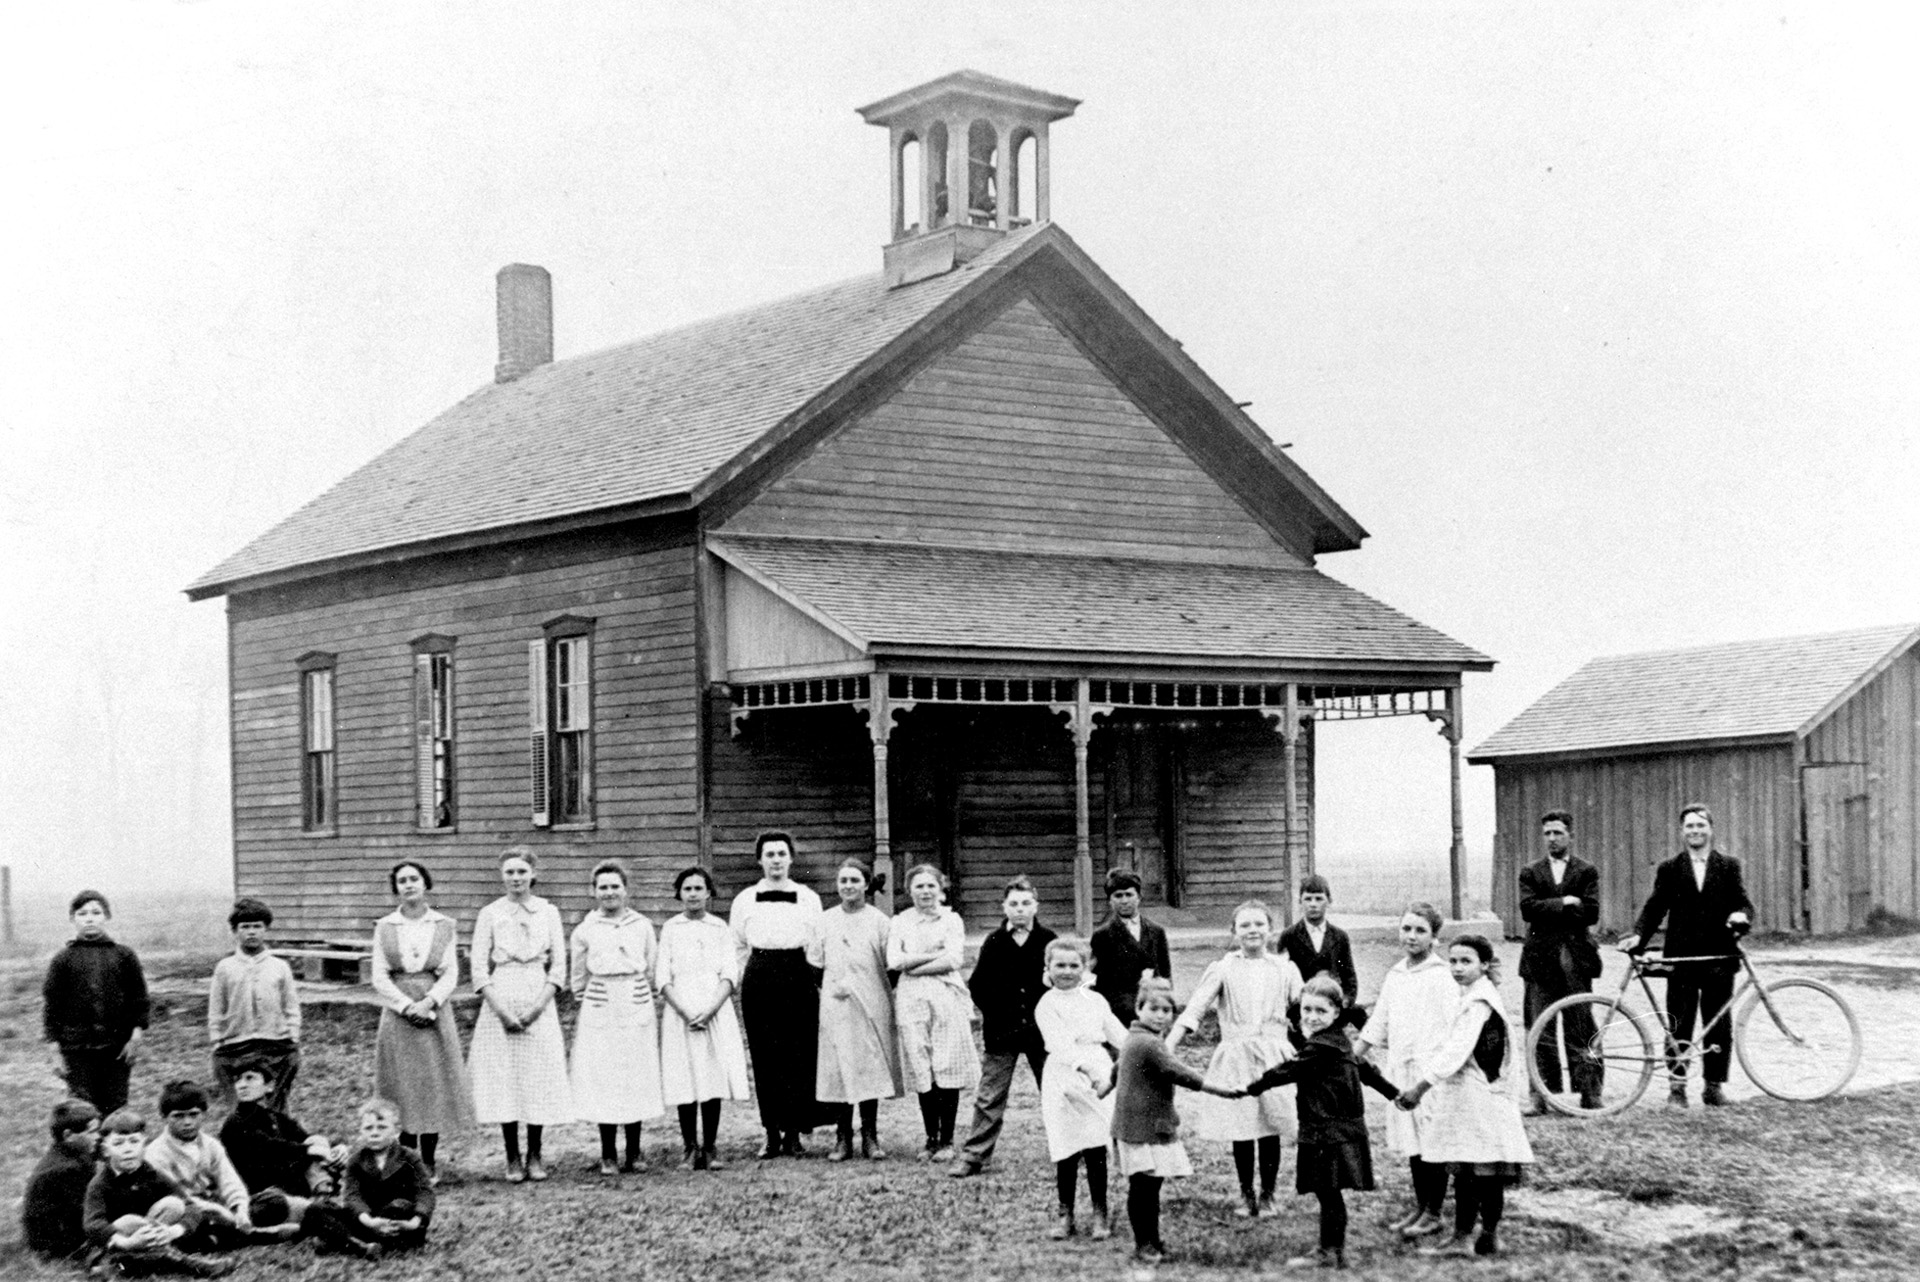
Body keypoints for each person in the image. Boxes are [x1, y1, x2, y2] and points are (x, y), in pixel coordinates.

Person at [1393, 935, 1535, 1258]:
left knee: (1472, 1171)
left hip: (1476, 1095)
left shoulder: (1478, 1002)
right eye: (1453, 961)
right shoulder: (1476, 994)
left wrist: (1419, 1088)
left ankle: (1466, 1238)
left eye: (1466, 961)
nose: (1457, 968)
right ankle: (1485, 1235)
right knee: (1482, 1170)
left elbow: (1456, 1052)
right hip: (1482, 1094)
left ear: (1484, 964)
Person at [1246, 976, 1401, 1270]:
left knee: (1328, 1192)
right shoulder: (1339, 1041)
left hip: (1327, 1130)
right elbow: (1367, 1070)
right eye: (1307, 1010)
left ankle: (1329, 1251)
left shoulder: (1322, 1046)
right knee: (1328, 1192)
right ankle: (1333, 1249)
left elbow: (1290, 1069)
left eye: (1320, 1011)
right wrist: (1394, 1093)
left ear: (1336, 1013)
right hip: (1338, 1128)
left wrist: (1252, 1086)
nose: (1312, 1017)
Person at [1167, 898, 1304, 1219]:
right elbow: (1196, 1008)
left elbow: (1304, 1011)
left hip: (1275, 1054)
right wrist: (1169, 1044)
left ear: (1271, 929)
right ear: (1233, 931)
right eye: (1245, 925)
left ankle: (1268, 1194)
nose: (1253, 930)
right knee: (1243, 1125)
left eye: (1259, 924)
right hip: (1237, 1055)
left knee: (1270, 1124)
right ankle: (1246, 1193)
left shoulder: (1285, 968)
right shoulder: (1223, 968)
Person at [1618, 803, 1755, 1108]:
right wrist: (1638, 935)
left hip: (1719, 958)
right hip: (1682, 958)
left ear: (1711, 829)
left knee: (1718, 1023)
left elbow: (1743, 903)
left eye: (1700, 825)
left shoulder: (1729, 866)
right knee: (1679, 1021)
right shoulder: (1670, 868)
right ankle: (1677, 1088)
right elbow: (1655, 907)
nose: (1695, 831)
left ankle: (1713, 1087)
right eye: (1689, 826)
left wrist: (1741, 917)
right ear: (1682, 832)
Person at [1114, 976, 1243, 1265]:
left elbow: (1116, 1068)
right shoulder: (1150, 1044)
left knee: (1148, 1186)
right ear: (1138, 1009)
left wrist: (1104, 1086)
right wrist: (1223, 1090)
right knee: (1144, 1188)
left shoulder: (1134, 1038)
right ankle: (1144, 1244)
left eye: (1167, 1010)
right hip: (1141, 1128)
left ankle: (1151, 1240)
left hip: (1139, 1125)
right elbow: (1181, 1073)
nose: (1161, 1016)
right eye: (1153, 1009)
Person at [467, 846, 573, 1182]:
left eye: (522, 872)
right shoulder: (491, 913)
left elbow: (559, 966)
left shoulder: (548, 912)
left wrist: (538, 1007)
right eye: (510, 872)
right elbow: (478, 967)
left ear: (533, 875)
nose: (516, 878)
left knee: (536, 1076)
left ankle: (535, 1153)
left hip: (537, 993)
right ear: (502, 876)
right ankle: (512, 1155)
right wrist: (500, 1010)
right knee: (506, 1077)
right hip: (502, 991)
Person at [1353, 902, 1457, 1239]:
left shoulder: (1443, 976)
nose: (1411, 936)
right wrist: (1350, 1056)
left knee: (1432, 1141)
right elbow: (1378, 1022)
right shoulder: (1396, 974)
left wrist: (1440, 1068)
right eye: (1406, 929)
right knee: (1413, 1142)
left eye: (1420, 931)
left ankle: (1434, 1211)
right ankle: (1420, 1205)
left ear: (1434, 938)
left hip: (1430, 1073)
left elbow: (1456, 1028)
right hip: (1402, 1068)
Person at [370, 859, 473, 1181]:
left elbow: (451, 973)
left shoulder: (443, 924)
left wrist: (429, 1001)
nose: (409, 885)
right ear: (396, 888)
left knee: (430, 1085)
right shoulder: (386, 926)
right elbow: (379, 975)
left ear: (425, 884)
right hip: (399, 1014)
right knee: (402, 1085)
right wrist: (405, 1005)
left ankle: (427, 1160)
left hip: (433, 1011)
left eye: (414, 879)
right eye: (402, 881)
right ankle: (405, 1158)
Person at [951, 875, 1057, 1178]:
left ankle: (1068, 1148)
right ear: (1004, 907)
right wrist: (1001, 1012)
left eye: (1026, 903)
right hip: (1002, 1032)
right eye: (1014, 904)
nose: (1020, 909)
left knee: (1054, 1090)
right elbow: (979, 986)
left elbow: (1062, 981)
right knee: (990, 1096)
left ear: (1036, 906)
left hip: (1042, 1033)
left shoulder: (1048, 939)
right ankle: (974, 1155)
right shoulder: (994, 941)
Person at [729, 830, 827, 1158]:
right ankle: (771, 1131)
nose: (775, 860)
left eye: (781, 854)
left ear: (791, 858)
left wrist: (808, 976)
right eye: (769, 854)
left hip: (797, 973)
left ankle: (795, 1131)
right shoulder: (745, 899)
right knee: (765, 1054)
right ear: (759, 859)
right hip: (760, 975)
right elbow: (738, 945)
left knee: (798, 1052)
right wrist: (750, 978)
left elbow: (816, 941)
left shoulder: (808, 897)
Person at [569, 859, 665, 1175]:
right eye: (603, 887)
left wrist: (643, 990)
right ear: (593, 892)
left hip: (635, 999)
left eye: (615, 886)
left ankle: (635, 1152)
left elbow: (651, 966)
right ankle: (608, 1152)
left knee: (634, 1073)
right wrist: (590, 996)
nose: (609, 892)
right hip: (600, 1001)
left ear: (626, 890)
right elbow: (578, 975)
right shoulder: (586, 929)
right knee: (605, 1075)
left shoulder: (642, 925)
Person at [1034, 936, 1128, 1241]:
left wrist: (1140, 1050)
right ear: (1048, 967)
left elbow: (1116, 1032)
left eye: (1074, 965)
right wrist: (1086, 1069)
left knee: (1095, 1142)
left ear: (1084, 967)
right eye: (1059, 965)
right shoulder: (1047, 1004)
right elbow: (1059, 1045)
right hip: (1064, 1074)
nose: (1067, 971)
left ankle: (1100, 1212)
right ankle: (1066, 1214)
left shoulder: (1095, 1000)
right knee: (1066, 1146)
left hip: (1098, 1069)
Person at [657, 866, 750, 1170]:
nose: (693, 894)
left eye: (699, 888)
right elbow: (662, 976)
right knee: (685, 1079)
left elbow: (729, 973)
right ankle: (688, 1147)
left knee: (711, 1076)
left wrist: (709, 1011)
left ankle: (709, 1148)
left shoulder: (719, 928)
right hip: (680, 1012)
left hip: (713, 1011)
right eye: (687, 889)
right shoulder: (671, 928)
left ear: (709, 893)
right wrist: (684, 1012)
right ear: (679, 894)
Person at [809, 857, 902, 1161]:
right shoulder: (825, 920)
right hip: (836, 1004)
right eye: (843, 881)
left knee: (869, 1067)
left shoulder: (879, 921)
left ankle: (871, 1137)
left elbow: (893, 968)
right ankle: (842, 1138)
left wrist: (870, 989)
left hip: (872, 1003)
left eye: (854, 880)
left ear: (866, 884)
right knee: (839, 1067)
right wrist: (835, 988)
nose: (848, 886)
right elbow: (814, 965)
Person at [888, 863, 980, 1161]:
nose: (925, 892)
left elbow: (953, 959)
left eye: (931, 886)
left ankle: (947, 1140)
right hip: (911, 997)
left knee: (946, 1062)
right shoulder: (900, 921)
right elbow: (894, 960)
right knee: (921, 1060)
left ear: (941, 889)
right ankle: (930, 1138)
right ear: (909, 890)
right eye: (919, 886)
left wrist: (914, 964)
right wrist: (932, 955)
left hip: (945, 994)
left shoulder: (951, 919)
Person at [83, 1107, 235, 1278]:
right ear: (105, 1150)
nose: (127, 1149)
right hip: (115, 1244)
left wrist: (173, 1231)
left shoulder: (151, 1174)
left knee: (174, 1204)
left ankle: (153, 1254)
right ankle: (187, 1263)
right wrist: (127, 1242)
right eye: (118, 1143)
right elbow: (93, 1225)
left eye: (134, 1141)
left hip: (151, 1235)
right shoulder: (100, 1184)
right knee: (129, 1222)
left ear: (144, 1144)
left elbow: (190, 1206)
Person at [1518, 810, 1603, 1113]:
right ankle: (1540, 1096)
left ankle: (1590, 1092)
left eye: (1558, 832)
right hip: (1540, 961)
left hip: (1576, 960)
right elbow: (1528, 909)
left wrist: (1549, 908)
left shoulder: (1586, 870)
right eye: (1547, 833)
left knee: (1581, 1026)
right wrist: (1566, 903)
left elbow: (1591, 912)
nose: (1552, 839)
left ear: (1570, 835)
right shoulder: (1531, 871)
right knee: (1539, 1027)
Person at [42, 889, 149, 1113]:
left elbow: (139, 999)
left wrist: (135, 1037)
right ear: (72, 919)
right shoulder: (63, 960)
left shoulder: (124, 956)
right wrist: (55, 1053)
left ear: (106, 916)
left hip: (117, 1049)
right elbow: (52, 1008)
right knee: (83, 1110)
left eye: (96, 912)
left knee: (115, 1109)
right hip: (77, 1050)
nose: (89, 918)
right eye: (82, 914)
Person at [215, 1059, 346, 1238]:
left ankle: (322, 1202)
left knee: (317, 1140)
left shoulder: (277, 1118)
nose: (242, 1085)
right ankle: (323, 1208)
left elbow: (306, 1138)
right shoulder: (235, 1122)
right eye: (238, 1080)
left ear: (269, 1086)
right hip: (260, 1194)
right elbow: (267, 1146)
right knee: (311, 1149)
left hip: (289, 1185)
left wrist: (336, 1148)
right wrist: (308, 1150)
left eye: (250, 1078)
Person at [207, 897, 301, 1111]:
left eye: (257, 926)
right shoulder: (225, 967)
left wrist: (293, 1034)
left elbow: (291, 1006)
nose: (251, 932)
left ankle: (278, 1130)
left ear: (266, 929)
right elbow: (216, 1008)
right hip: (236, 1044)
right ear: (235, 931)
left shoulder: (279, 966)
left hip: (275, 1042)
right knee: (241, 1105)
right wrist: (216, 1039)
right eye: (245, 927)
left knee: (276, 1101)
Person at [143, 1080, 255, 1248]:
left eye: (193, 1114)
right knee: (211, 1224)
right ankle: (255, 1235)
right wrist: (218, 1211)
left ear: (204, 1114)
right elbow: (177, 1197)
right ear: (164, 1118)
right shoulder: (156, 1153)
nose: (187, 1122)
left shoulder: (210, 1145)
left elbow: (229, 1180)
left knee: (270, 1203)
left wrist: (240, 1209)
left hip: (216, 1204)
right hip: (186, 1211)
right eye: (178, 1116)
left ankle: (239, 1230)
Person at [332, 1097, 436, 1257]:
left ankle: (350, 1242)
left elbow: (425, 1192)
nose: (374, 1133)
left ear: (395, 1131)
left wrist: (414, 1222)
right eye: (368, 1128)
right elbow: (352, 1196)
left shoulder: (409, 1157)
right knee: (325, 1209)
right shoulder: (356, 1160)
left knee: (398, 1206)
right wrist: (370, 1221)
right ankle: (366, 1242)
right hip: (369, 1220)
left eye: (381, 1127)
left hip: (401, 1220)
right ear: (361, 1131)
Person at [1089, 869, 1173, 1027]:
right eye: (1118, 896)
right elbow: (1099, 982)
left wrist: (1166, 1003)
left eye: (1129, 894)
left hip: (1151, 1009)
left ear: (1139, 897)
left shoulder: (1156, 931)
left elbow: (1165, 973)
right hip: (1118, 1012)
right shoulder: (1103, 935)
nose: (1124, 901)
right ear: (1110, 900)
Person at [22, 1098, 101, 1263]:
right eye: (92, 1132)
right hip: (56, 1245)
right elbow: (84, 1213)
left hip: (60, 1234)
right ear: (68, 1135)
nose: (98, 1136)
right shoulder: (67, 1169)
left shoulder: (70, 1156)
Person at [1276, 875, 1361, 1024]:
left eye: (1318, 899)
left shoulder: (1339, 937)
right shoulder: (1289, 936)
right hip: (1300, 1011)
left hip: (1330, 1009)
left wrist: (1345, 1002)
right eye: (1308, 899)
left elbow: (1348, 975)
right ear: (1300, 902)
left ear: (1329, 901)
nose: (1313, 904)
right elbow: (1280, 977)